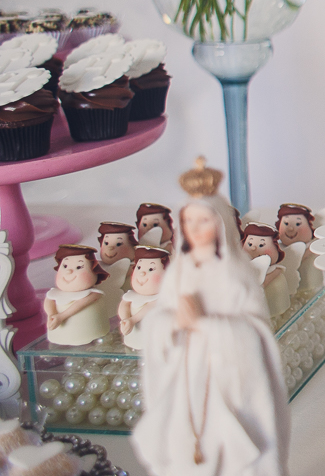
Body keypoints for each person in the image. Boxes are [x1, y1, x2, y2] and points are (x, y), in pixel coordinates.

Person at [132, 158, 289, 476]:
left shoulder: (235, 273)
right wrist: (173, 322)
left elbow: (255, 331)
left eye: (203, 221)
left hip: (227, 376)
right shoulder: (178, 271)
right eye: (189, 222)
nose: (195, 229)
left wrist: (205, 324)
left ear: (219, 224)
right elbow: (157, 319)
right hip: (185, 374)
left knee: (229, 446)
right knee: (182, 440)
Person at [44, 245, 109, 346]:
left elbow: (81, 303)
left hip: (94, 342)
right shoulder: (55, 293)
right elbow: (48, 300)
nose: (69, 271)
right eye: (65, 266)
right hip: (57, 342)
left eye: (79, 267)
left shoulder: (94, 294)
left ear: (94, 271)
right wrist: (51, 314)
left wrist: (61, 316)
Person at [119, 246, 169, 350]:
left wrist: (132, 320)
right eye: (139, 267)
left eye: (151, 269)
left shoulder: (164, 298)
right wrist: (125, 320)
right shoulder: (131, 296)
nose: (142, 273)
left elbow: (150, 306)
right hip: (132, 342)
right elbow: (124, 304)